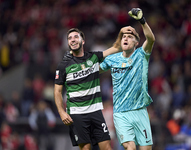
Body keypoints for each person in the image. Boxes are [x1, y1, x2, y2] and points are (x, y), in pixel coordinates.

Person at [54, 26, 135, 150]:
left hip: (95, 111)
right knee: (86, 148)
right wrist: (61, 112)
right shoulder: (63, 65)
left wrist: (121, 33)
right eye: (70, 38)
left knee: (107, 147)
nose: (73, 40)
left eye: (76, 36)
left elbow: (116, 48)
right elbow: (57, 91)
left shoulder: (93, 57)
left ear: (83, 41)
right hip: (77, 113)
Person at [100, 8, 155, 150]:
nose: (126, 38)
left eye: (130, 36)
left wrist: (142, 22)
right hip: (120, 112)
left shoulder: (141, 55)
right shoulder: (112, 59)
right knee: (129, 147)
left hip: (140, 110)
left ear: (137, 42)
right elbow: (95, 70)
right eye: (124, 36)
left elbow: (151, 39)